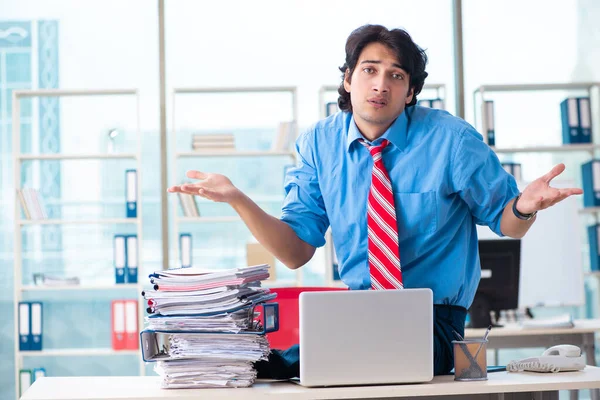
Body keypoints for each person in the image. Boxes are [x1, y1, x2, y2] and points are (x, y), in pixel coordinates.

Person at [168, 24, 583, 378]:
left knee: (318, 362)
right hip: (358, 314)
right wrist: (240, 201)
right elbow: (295, 252)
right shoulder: (319, 143)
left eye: (396, 75)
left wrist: (524, 207)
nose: (381, 84)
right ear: (348, 80)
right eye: (369, 70)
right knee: (291, 368)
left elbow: (505, 222)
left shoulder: (451, 140)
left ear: (411, 91)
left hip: (435, 319)